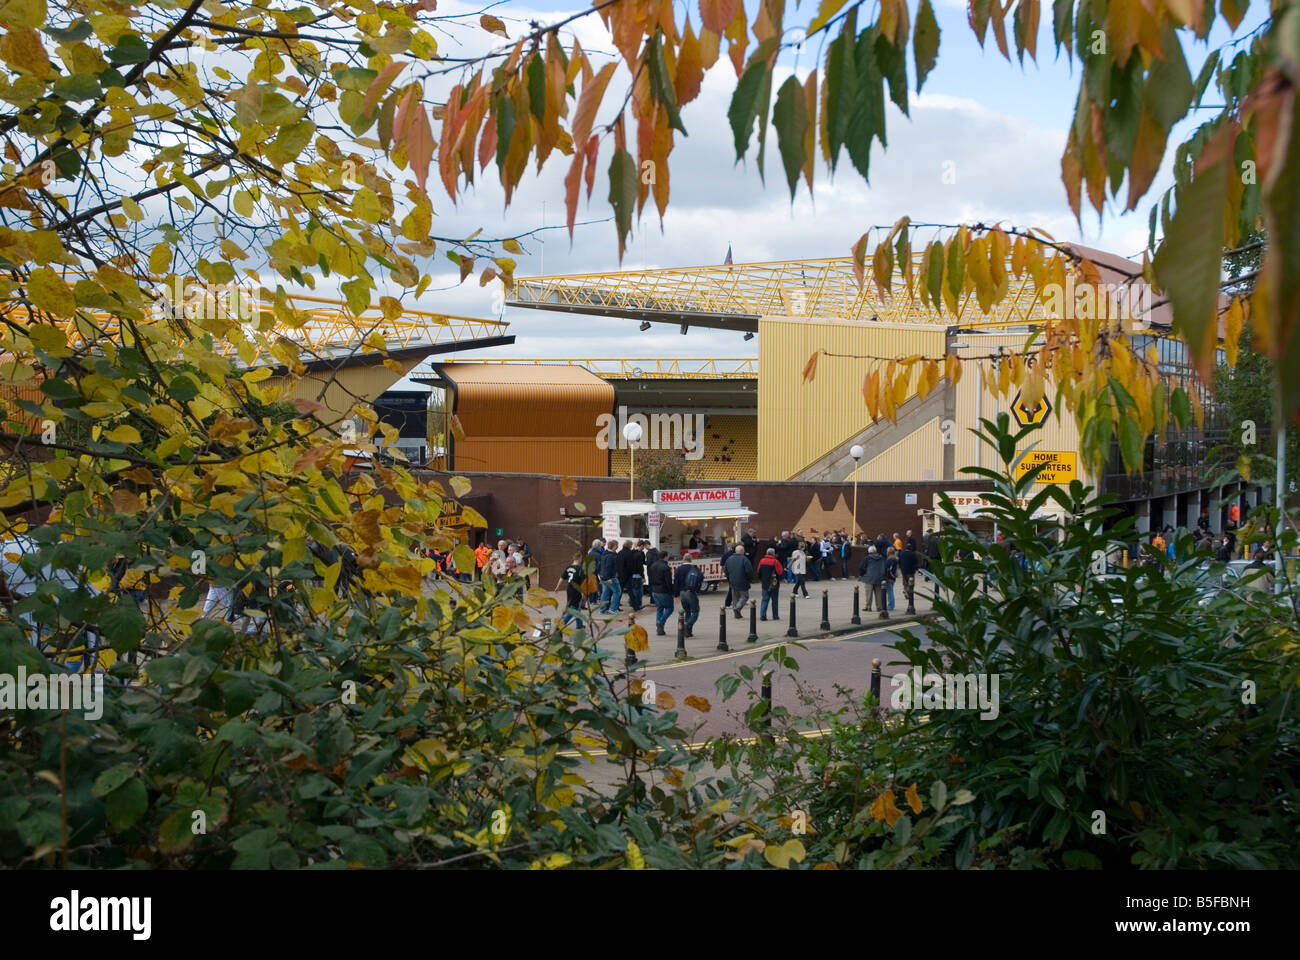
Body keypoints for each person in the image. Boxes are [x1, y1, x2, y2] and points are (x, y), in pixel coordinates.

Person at [674, 554, 703, 637]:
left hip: (682, 592)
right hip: (691, 592)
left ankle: (688, 632)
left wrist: (676, 595)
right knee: (695, 611)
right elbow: (700, 578)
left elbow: (676, 582)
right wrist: (697, 589)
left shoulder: (679, 569)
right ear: (691, 559)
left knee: (687, 611)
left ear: (683, 559)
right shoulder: (694, 568)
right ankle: (688, 625)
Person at [647, 550, 675, 635]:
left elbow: (650, 578)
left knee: (660, 609)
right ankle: (660, 622)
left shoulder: (653, 565)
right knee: (670, 608)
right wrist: (671, 592)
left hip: (654, 590)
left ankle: (659, 629)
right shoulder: (665, 567)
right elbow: (668, 582)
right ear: (665, 556)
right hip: (663, 590)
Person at [723, 543, 754, 618]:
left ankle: (737, 614)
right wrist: (748, 579)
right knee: (745, 596)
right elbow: (749, 571)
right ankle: (737, 608)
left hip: (732, 582)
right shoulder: (745, 559)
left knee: (735, 599)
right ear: (742, 551)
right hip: (743, 581)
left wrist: (729, 579)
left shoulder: (729, 559)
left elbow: (726, 571)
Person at [556, 551, 586, 627]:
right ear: (579, 559)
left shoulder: (569, 567)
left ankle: (579, 625)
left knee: (575, 607)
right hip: (576, 590)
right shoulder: (580, 569)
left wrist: (557, 587)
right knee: (574, 609)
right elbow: (583, 582)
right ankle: (562, 623)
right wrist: (583, 593)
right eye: (581, 559)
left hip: (569, 589)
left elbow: (562, 577)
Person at [859, 545, 888, 619]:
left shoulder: (867, 558)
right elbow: (885, 568)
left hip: (869, 578)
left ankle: (868, 607)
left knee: (869, 593)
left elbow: (862, 568)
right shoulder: (881, 558)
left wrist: (862, 575)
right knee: (878, 593)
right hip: (879, 578)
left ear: (869, 552)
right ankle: (879, 607)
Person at [757, 547, 784, 620]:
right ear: (773, 554)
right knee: (774, 600)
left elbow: (759, 572)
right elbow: (780, 572)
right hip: (774, 584)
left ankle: (763, 615)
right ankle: (775, 616)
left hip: (765, 584)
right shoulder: (775, 562)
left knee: (765, 600)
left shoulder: (762, 561)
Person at [597, 538, 621, 613]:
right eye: (617, 546)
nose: (617, 547)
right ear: (614, 546)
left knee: (605, 593)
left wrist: (601, 576)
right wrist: (608, 578)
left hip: (603, 577)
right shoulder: (612, 556)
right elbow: (608, 567)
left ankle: (603, 609)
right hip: (610, 577)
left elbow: (600, 566)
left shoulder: (604, 554)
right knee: (617, 591)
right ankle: (613, 609)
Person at [898, 540, 918, 614]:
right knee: (911, 583)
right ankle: (909, 593)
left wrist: (900, 567)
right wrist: (915, 569)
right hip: (910, 571)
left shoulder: (902, 553)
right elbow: (916, 562)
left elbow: (899, 561)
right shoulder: (913, 554)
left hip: (903, 570)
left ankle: (905, 590)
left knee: (905, 582)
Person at [625, 540, 646, 611]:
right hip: (637, 575)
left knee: (633, 590)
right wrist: (643, 576)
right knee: (639, 591)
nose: (644, 548)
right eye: (643, 547)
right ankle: (638, 604)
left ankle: (632, 602)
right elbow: (640, 567)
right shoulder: (639, 555)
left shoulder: (630, 553)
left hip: (631, 575)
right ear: (641, 546)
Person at [883, 546, 899, 612]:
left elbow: (887, 569)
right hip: (893, 577)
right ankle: (891, 605)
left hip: (889, 577)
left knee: (890, 592)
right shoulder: (895, 559)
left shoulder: (889, 560)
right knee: (890, 591)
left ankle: (890, 606)